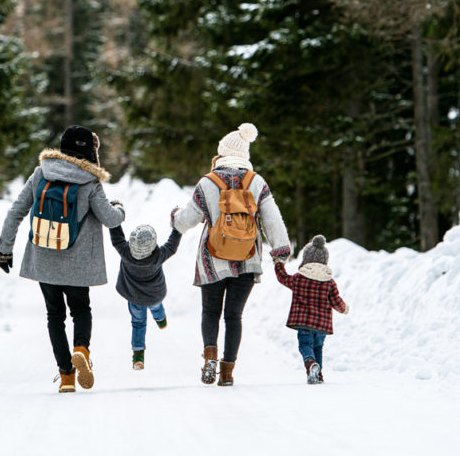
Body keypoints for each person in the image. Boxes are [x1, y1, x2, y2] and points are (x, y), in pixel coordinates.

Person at [0, 125, 125, 393]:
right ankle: (81, 350)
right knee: (81, 310)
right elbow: (110, 219)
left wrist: (5, 250)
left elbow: (15, 212)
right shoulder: (90, 181)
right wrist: (120, 208)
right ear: (90, 151)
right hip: (78, 264)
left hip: (44, 259)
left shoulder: (41, 173)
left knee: (54, 315)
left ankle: (66, 376)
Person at [171, 122, 292, 386]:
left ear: (222, 153)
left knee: (210, 312)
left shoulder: (207, 182)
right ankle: (227, 373)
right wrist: (281, 253)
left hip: (211, 259)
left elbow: (187, 220)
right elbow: (273, 220)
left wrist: (174, 219)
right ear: (245, 155)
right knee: (234, 316)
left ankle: (209, 357)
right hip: (248, 259)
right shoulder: (256, 182)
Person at [273, 235, 348, 384]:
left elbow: (283, 278)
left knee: (305, 345)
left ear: (306, 258)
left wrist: (278, 263)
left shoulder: (299, 278)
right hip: (322, 325)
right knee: (318, 347)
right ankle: (318, 375)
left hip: (304, 323)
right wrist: (344, 308)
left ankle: (310, 364)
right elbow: (335, 301)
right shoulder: (329, 282)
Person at [108, 223, 182, 370]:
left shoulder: (125, 252)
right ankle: (161, 320)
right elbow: (172, 246)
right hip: (154, 296)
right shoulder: (158, 256)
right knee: (157, 307)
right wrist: (177, 227)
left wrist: (114, 216)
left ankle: (138, 357)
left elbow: (117, 238)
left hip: (135, 298)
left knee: (138, 323)